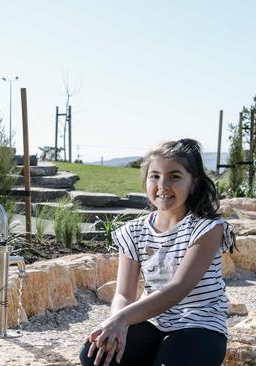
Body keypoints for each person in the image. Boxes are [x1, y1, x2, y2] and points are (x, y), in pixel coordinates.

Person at [79, 139, 235, 366]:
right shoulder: (134, 231)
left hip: (200, 325)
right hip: (152, 322)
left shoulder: (207, 228)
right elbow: (124, 294)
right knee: (95, 354)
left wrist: (122, 319)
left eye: (175, 176)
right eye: (155, 176)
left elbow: (177, 289)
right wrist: (116, 324)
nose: (163, 185)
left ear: (194, 183)